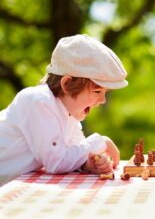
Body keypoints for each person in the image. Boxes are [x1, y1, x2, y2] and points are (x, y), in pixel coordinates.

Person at [0, 34, 128, 186]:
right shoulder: (38, 101)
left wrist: (87, 163)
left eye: (105, 93)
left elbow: (74, 153)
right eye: (97, 91)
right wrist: (100, 141)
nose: (102, 100)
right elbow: (56, 162)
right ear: (67, 84)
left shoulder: (68, 112)